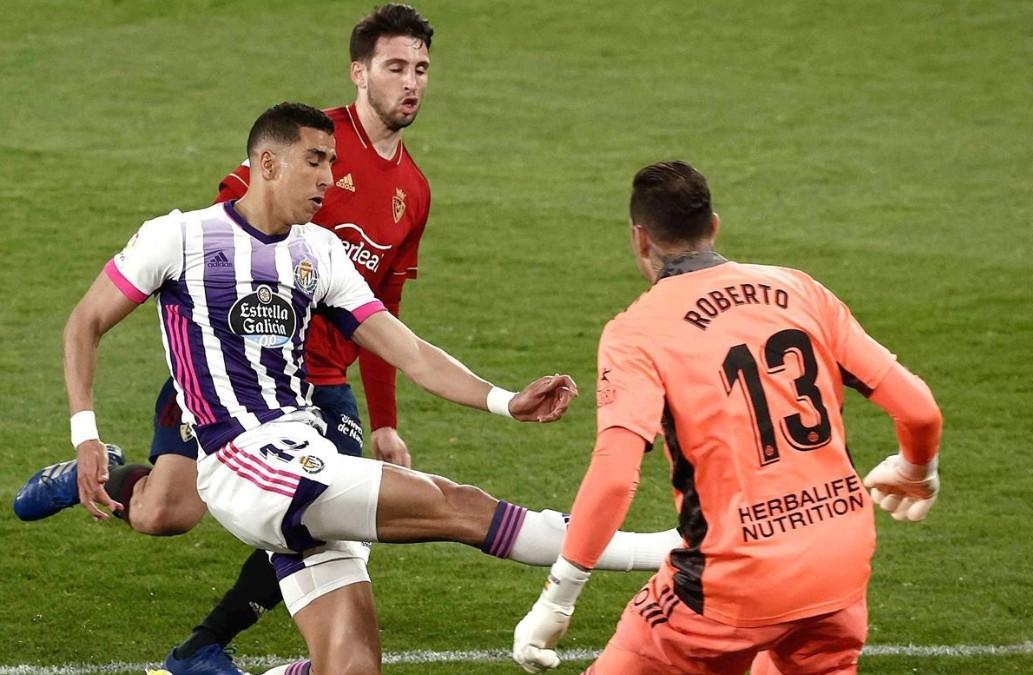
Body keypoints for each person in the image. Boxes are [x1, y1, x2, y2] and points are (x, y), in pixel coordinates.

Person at [62, 102, 679, 675]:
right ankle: (676, 548)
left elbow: (408, 350)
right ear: (267, 163)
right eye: (315, 161)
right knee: (458, 506)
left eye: (332, 161)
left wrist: (503, 400)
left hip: (304, 454)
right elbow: (85, 321)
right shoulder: (180, 236)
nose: (329, 177)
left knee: (352, 669)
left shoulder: (319, 252)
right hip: (244, 464)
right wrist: (85, 433)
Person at [511, 160, 944, 675]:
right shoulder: (800, 290)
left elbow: (615, 476)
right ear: (714, 226)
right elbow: (919, 410)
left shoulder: (638, 332)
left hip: (731, 582)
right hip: (839, 563)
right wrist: (916, 469)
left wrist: (558, 597)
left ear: (640, 239)